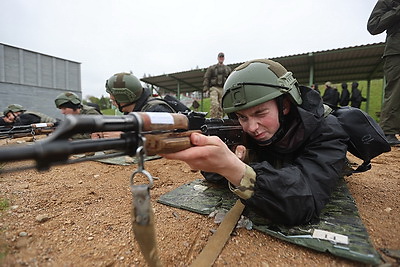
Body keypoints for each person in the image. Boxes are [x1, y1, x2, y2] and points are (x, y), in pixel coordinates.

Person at [162, 59, 349, 226]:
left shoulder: (327, 131)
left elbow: (304, 202)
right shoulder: (245, 131)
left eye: (260, 113)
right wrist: (226, 161)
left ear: (284, 105)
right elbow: (215, 176)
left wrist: (236, 170)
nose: (251, 127)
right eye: (242, 117)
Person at [92, 72, 175, 139]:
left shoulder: (157, 111)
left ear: (124, 98)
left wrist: (125, 137)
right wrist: (103, 133)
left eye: (113, 100)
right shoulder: (131, 111)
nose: (112, 102)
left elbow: (167, 139)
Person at [367, 0, 400, 145]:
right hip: (397, 52)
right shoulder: (388, 1)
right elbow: (373, 26)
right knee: (396, 91)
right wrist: (397, 11)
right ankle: (388, 131)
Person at [203, 52, 232, 118]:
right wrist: (206, 89)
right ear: (218, 58)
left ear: (224, 58)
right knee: (215, 104)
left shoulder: (227, 69)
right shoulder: (212, 68)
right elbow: (207, 78)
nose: (221, 58)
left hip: (223, 89)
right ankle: (213, 119)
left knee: (221, 106)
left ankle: (219, 120)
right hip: (214, 88)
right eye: (220, 57)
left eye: (222, 57)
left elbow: (230, 79)